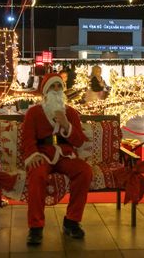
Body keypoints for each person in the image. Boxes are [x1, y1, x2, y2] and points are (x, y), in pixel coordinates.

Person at [21, 73, 92, 245]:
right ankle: (36, 227)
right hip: (42, 154)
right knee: (37, 175)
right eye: (52, 87)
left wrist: (67, 125)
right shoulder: (34, 112)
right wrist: (33, 155)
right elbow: (27, 139)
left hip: (64, 154)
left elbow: (80, 141)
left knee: (84, 171)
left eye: (59, 87)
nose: (56, 90)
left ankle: (72, 221)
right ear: (45, 92)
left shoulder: (71, 113)